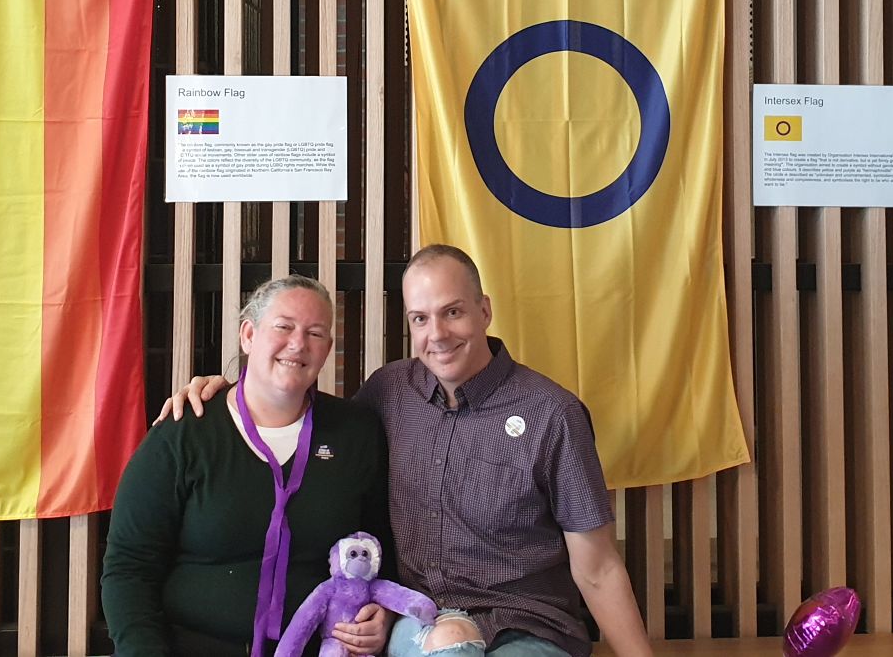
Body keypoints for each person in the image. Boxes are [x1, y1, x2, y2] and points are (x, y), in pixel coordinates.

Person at [160, 246, 654, 657]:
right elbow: (303, 418)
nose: (437, 334)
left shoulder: (553, 413)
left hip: (528, 625)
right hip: (418, 618)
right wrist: (230, 390)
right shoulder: (390, 391)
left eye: (453, 312)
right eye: (421, 318)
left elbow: (599, 567)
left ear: (484, 310)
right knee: (442, 642)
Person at [104, 275, 395, 657]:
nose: (298, 343)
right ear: (248, 335)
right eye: (284, 327)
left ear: (327, 351)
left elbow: (382, 550)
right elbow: (129, 568)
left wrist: (384, 615)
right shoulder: (182, 433)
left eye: (316, 333)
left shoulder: (357, 433)